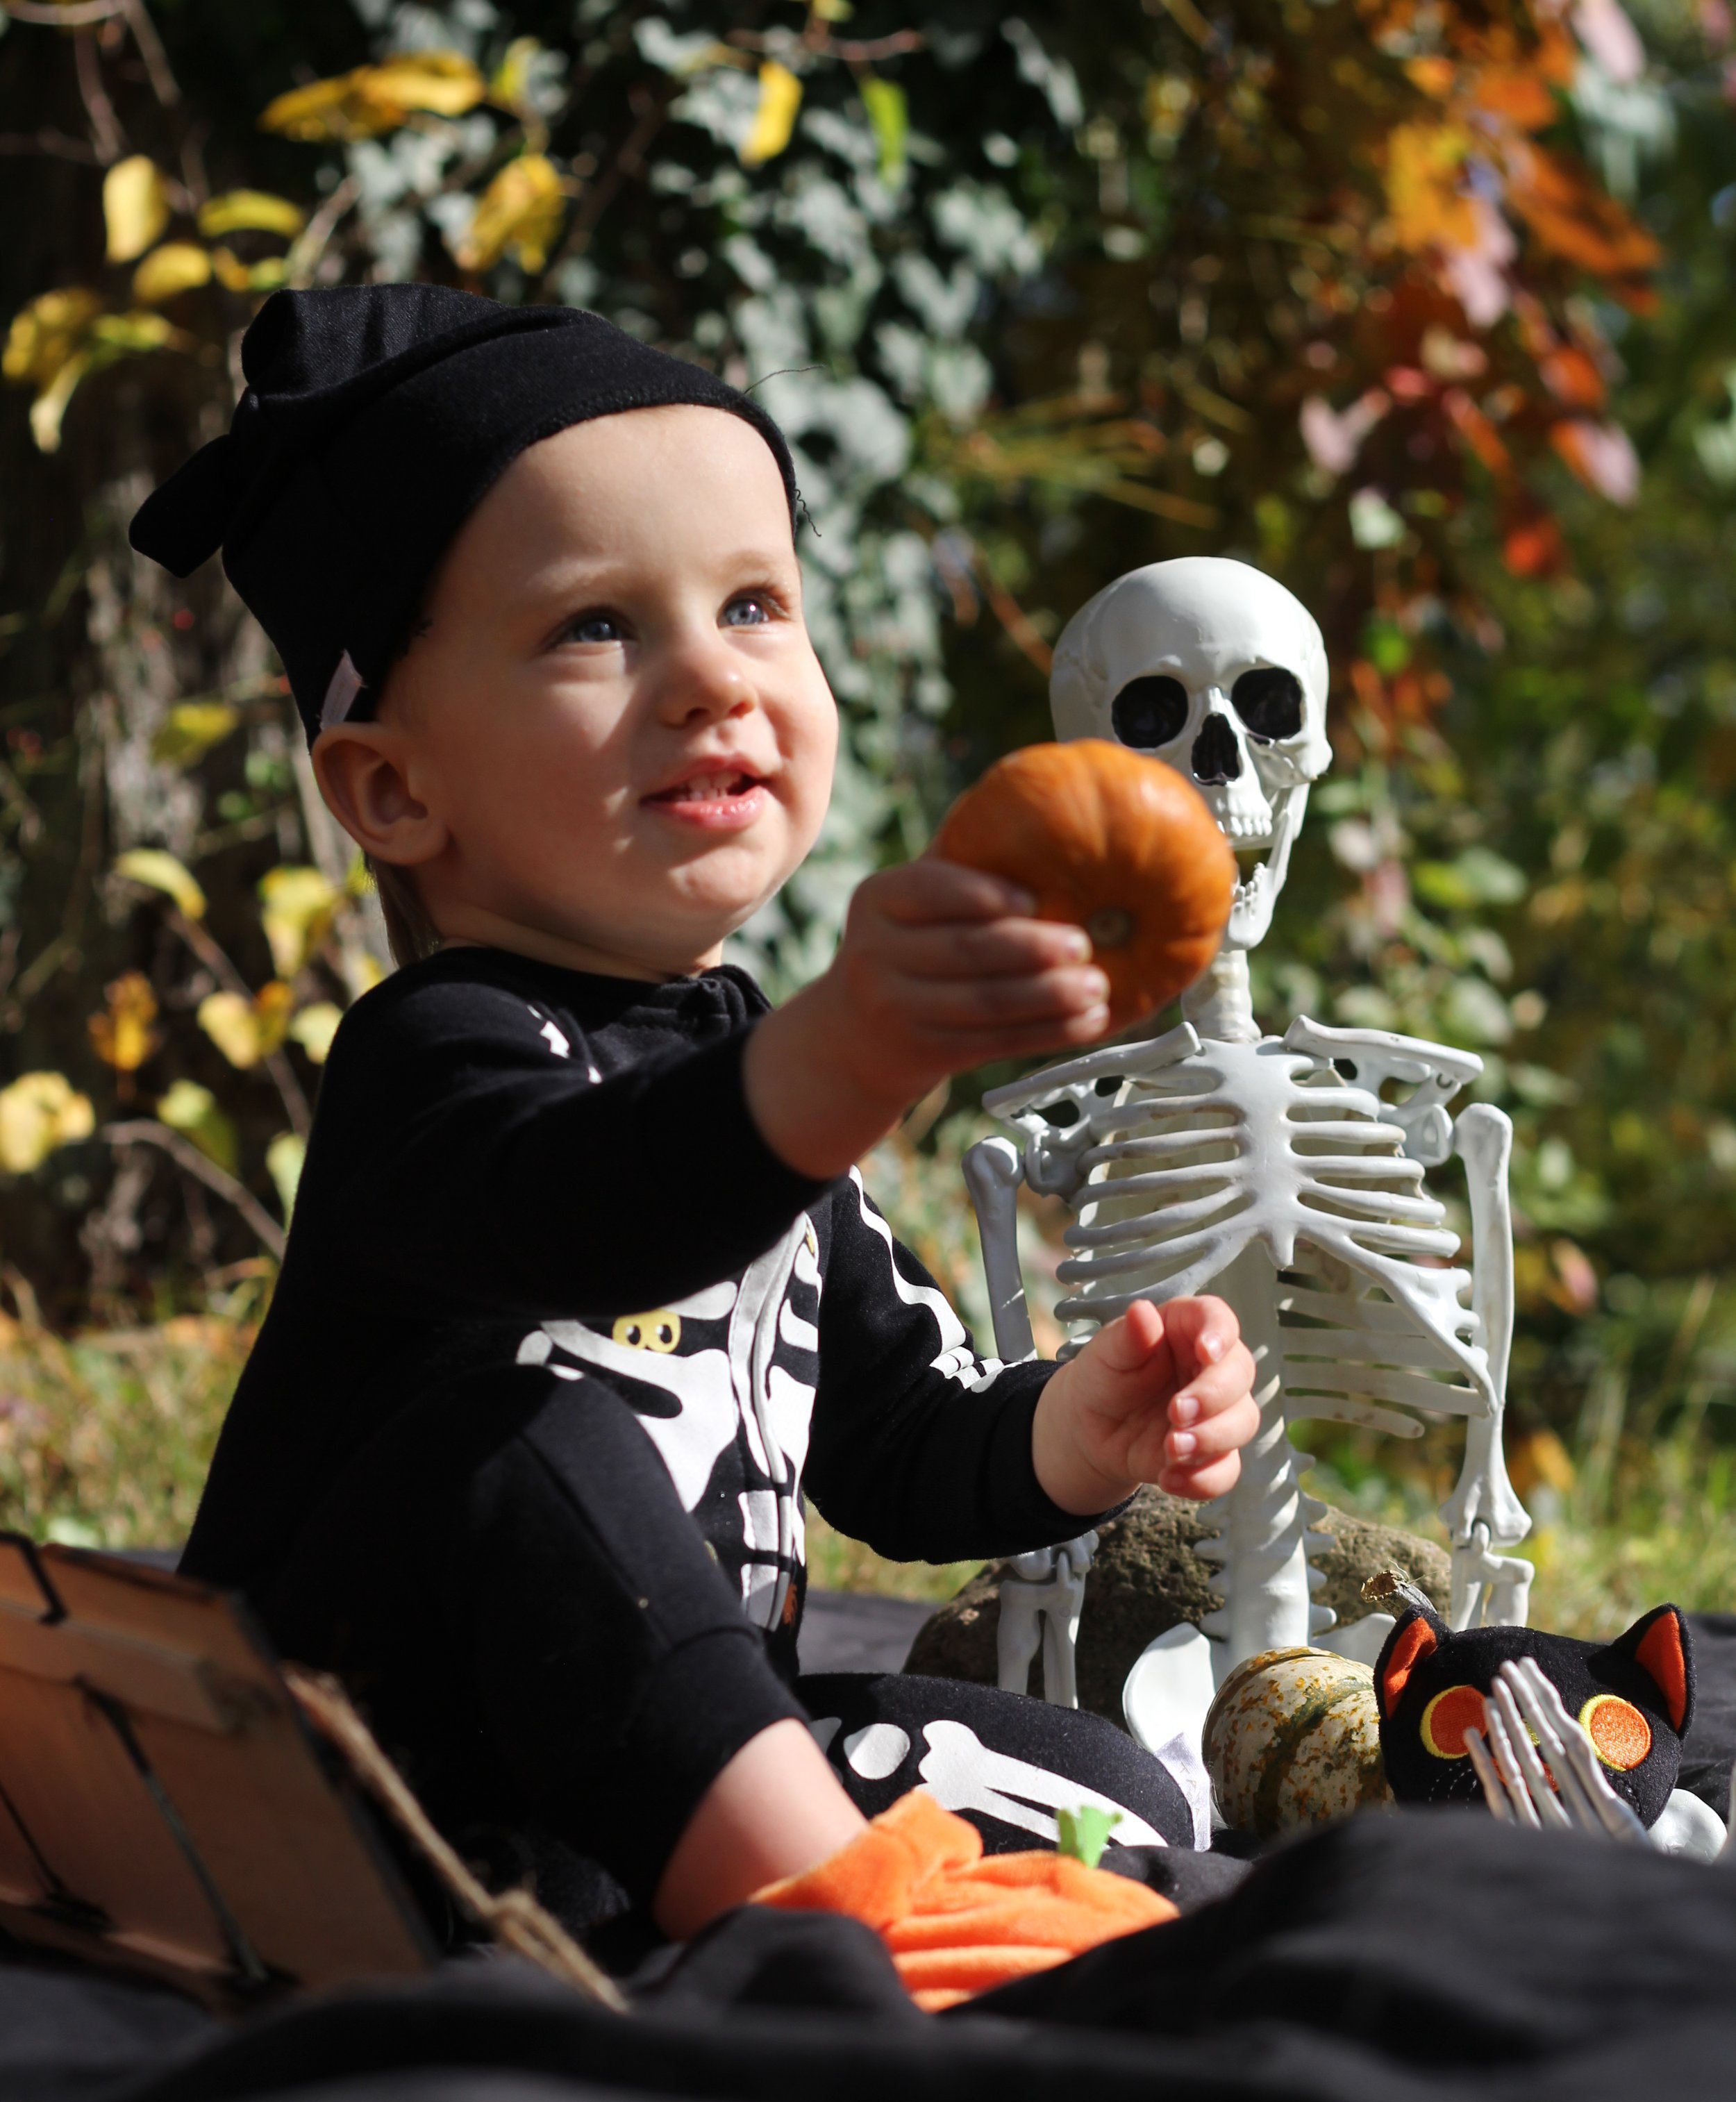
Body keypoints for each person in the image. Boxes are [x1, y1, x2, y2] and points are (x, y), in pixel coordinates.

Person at [132, 285, 1258, 1960]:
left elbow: (888, 1437)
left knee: (1100, 1777)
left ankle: (849, 1906)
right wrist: (839, 1057)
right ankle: (839, 1940)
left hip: (648, 1776)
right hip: (358, 1789)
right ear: (391, 787)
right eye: (597, 627)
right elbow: (600, 1205)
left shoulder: (748, 1067)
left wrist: (1072, 1437)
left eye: (751, 604)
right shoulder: (439, 1059)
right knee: (515, 1432)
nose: (709, 681)